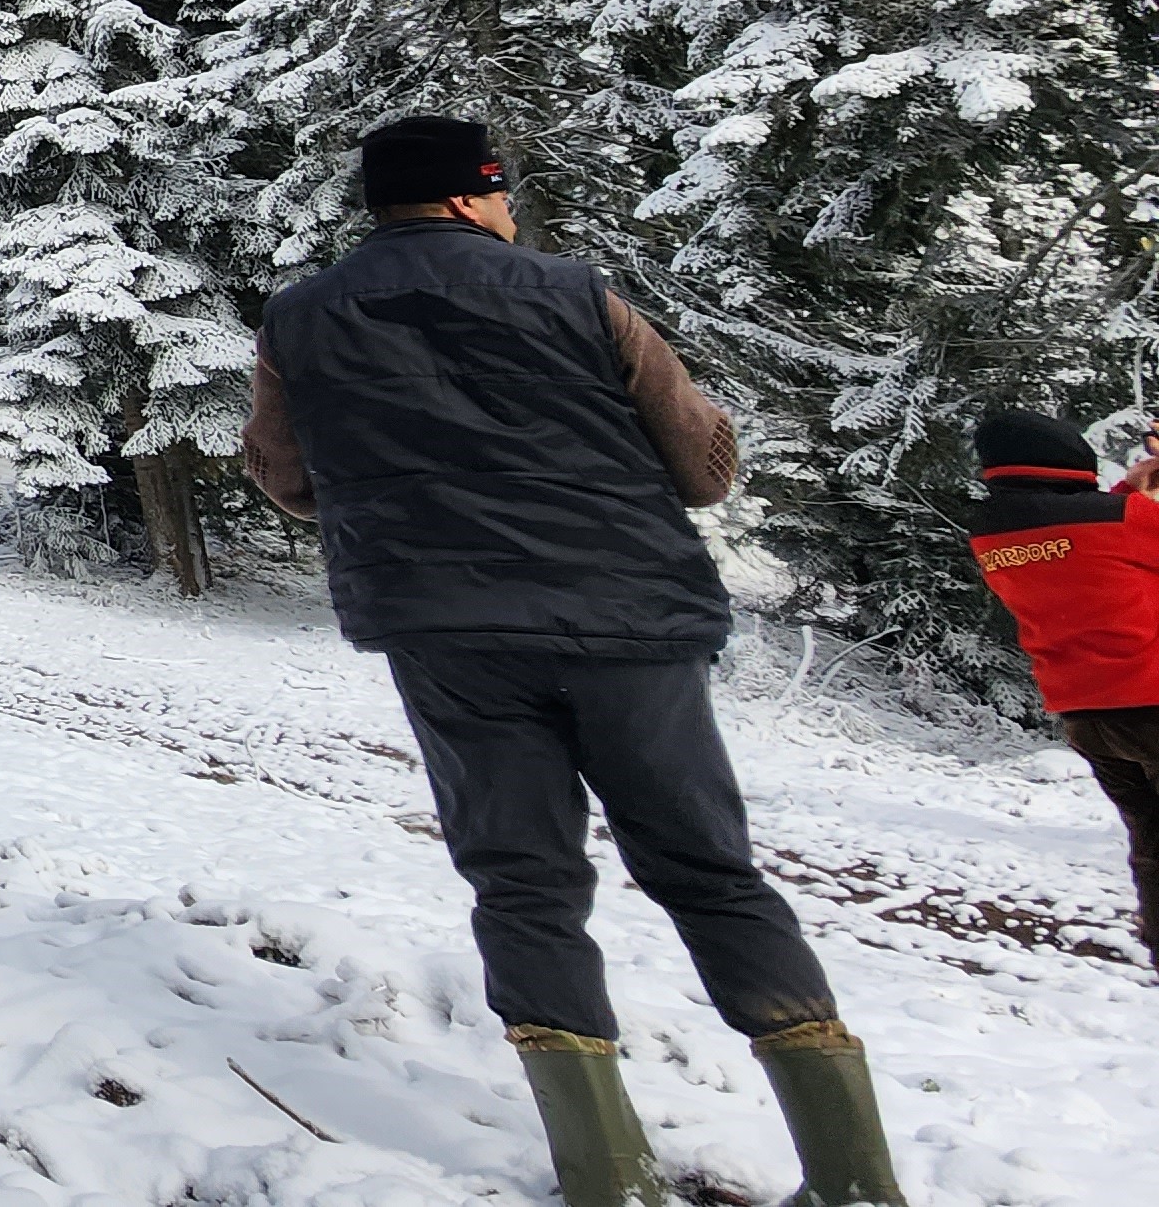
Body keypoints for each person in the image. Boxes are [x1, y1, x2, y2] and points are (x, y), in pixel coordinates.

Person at [240, 116, 903, 1207]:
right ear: (467, 196)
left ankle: (606, 1176)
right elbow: (699, 467)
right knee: (707, 870)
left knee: (520, 877)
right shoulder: (575, 293)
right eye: (498, 194)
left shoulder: (299, 318)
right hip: (625, 620)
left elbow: (286, 475)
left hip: (445, 629)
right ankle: (851, 1175)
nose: (506, 211)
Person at [962, 405, 1159, 959]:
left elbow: (1088, 541)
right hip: (1153, 694)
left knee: (1150, 841)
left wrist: (1132, 489)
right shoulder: (1122, 520)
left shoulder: (990, 532)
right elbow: (1116, 531)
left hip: (1088, 714)